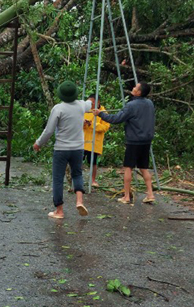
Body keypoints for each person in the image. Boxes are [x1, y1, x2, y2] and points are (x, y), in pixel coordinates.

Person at [33, 80, 92, 219]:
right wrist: (89, 101)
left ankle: (59, 210)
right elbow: (90, 104)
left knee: (58, 178)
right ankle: (79, 201)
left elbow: (49, 131)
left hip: (61, 149)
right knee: (77, 174)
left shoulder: (58, 108)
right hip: (78, 148)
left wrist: (38, 143)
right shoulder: (81, 105)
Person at [94, 81, 155, 205]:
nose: (133, 88)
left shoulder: (131, 105)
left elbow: (116, 119)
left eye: (135, 87)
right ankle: (150, 194)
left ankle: (126, 196)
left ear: (139, 92)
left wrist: (101, 114)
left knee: (128, 167)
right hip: (146, 140)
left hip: (134, 141)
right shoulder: (150, 103)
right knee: (144, 168)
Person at [83, 97, 110, 188]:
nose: (91, 104)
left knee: (93, 162)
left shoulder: (103, 112)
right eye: (89, 102)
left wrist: (92, 124)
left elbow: (105, 127)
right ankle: (76, 180)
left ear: (98, 102)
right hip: (82, 140)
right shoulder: (85, 109)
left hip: (94, 141)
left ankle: (93, 180)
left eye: (93, 102)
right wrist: (83, 123)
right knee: (78, 161)